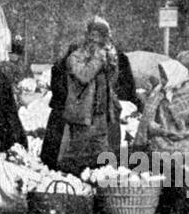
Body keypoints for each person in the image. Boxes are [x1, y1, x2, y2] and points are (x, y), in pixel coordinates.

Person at [42, 17, 129, 175]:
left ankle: (96, 188)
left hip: (101, 115)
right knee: (78, 156)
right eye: (94, 35)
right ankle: (75, 186)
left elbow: (112, 80)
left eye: (101, 36)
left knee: (103, 158)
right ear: (88, 36)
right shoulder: (75, 57)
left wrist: (111, 61)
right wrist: (98, 59)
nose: (97, 40)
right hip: (82, 116)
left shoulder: (102, 57)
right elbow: (84, 76)